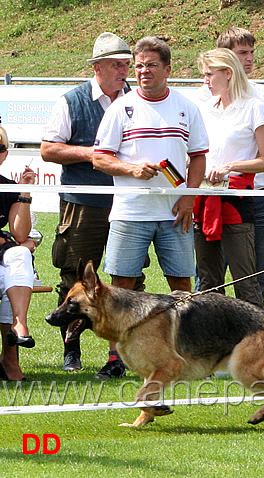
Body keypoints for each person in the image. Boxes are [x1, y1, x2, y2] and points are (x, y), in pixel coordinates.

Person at [41, 32, 146, 377]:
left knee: (127, 279)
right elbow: (48, 149)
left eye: (126, 64)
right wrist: (95, 154)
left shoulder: (138, 100)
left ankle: (122, 355)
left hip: (128, 203)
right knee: (74, 276)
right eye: (117, 64)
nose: (124, 71)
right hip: (83, 203)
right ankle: (71, 350)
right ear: (97, 67)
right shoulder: (71, 101)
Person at [92, 37, 208, 320]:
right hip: (130, 212)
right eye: (140, 66)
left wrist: (189, 197)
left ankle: (184, 354)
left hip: (174, 213)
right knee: (121, 288)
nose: (144, 71)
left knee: (182, 287)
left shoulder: (186, 107)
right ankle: (116, 359)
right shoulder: (120, 108)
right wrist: (131, 169)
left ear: (168, 69)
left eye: (152, 65)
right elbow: (99, 158)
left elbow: (199, 157)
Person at [193, 48, 264, 308]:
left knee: (246, 282)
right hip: (204, 201)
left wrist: (229, 167)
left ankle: (263, 345)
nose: (205, 81)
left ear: (227, 74)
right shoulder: (204, 108)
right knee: (207, 283)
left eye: (209, 74)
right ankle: (210, 344)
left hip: (237, 201)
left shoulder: (254, 107)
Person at [0, 125, 38, 381]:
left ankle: (18, 325)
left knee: (20, 256)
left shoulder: (7, 187)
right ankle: (10, 358)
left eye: (0, 148)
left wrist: (24, 192)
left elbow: (21, 234)